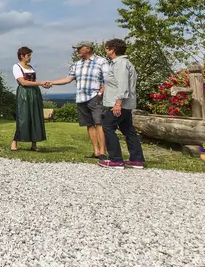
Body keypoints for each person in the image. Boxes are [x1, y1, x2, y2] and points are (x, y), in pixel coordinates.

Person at [48, 41, 110, 160]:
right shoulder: (77, 64)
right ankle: (96, 152)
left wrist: (100, 93)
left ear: (88, 49)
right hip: (81, 98)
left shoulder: (101, 61)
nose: (77, 51)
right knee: (89, 125)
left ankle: (103, 152)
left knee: (99, 124)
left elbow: (108, 80)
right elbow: (68, 79)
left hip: (95, 97)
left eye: (79, 49)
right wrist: (51, 82)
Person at [99, 39, 145, 169]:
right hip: (125, 104)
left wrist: (118, 103)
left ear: (113, 49)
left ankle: (116, 160)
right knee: (128, 129)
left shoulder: (120, 63)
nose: (105, 50)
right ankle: (136, 160)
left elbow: (123, 85)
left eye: (107, 48)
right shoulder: (120, 63)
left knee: (108, 127)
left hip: (120, 103)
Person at [11, 46, 51, 152]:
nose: (30, 57)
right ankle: (15, 142)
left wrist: (43, 85)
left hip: (34, 93)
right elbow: (23, 82)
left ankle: (34, 144)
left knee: (35, 116)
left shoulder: (30, 67)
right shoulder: (17, 67)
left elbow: (33, 81)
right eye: (28, 55)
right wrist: (40, 83)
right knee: (23, 118)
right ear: (22, 56)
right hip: (24, 93)